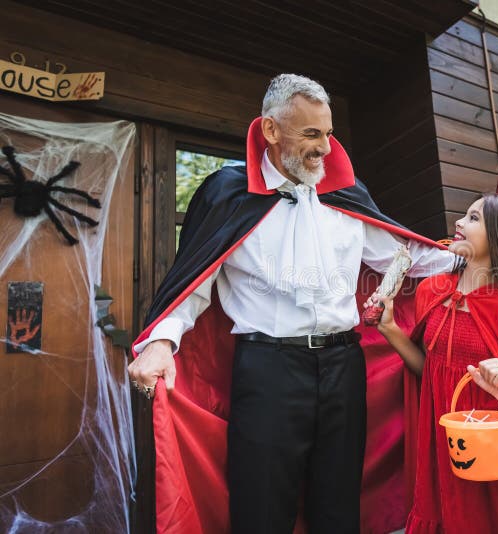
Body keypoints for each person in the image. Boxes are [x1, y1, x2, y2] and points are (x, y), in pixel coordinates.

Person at [128, 74, 455, 534]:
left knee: (339, 505)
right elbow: (194, 284)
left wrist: (478, 255)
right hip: (268, 372)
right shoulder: (227, 194)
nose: (325, 147)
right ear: (270, 131)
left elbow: (408, 256)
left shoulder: (345, 192)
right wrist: (162, 341)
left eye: (328, 133)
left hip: (344, 366)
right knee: (261, 507)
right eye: (311, 134)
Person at [366, 168, 498, 533]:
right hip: (444, 454)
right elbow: (429, 373)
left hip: (496, 466)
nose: (459, 222)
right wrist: (390, 329)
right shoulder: (433, 293)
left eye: (474, 217)